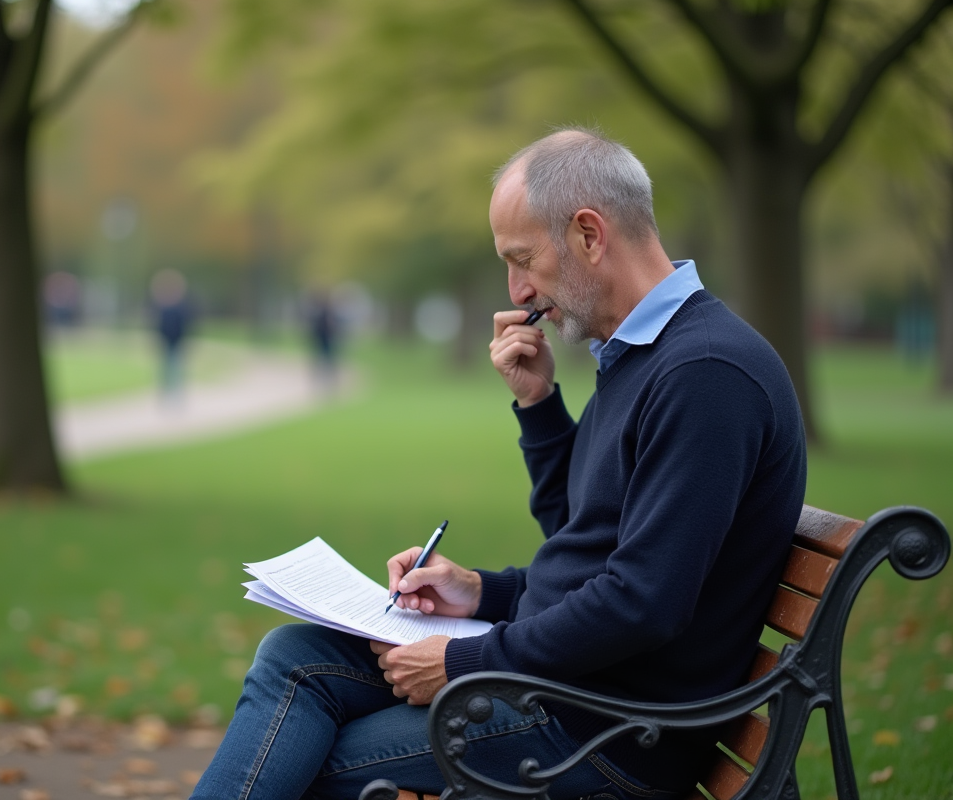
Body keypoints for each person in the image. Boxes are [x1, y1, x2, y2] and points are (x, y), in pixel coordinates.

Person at [190, 127, 806, 800]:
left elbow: (643, 602)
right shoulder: (641, 353)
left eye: (522, 259)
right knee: (295, 657)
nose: (516, 290)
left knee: (312, 768)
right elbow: (584, 536)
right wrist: (482, 587)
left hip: (606, 733)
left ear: (589, 235)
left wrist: (465, 660)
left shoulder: (705, 373)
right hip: (569, 689)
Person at [148, 269, 192, 399]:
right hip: (165, 342)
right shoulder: (161, 308)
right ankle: (166, 392)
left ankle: (177, 393)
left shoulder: (181, 307)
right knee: (166, 368)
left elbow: (185, 326)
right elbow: (158, 327)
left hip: (177, 342)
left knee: (176, 367)